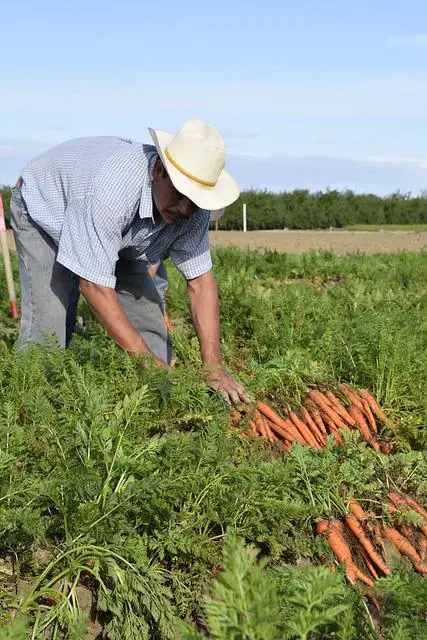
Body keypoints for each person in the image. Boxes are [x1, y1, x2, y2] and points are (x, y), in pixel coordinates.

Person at [10, 119, 249, 405]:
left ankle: (156, 413)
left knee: (151, 327)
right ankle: (28, 414)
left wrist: (213, 367)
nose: (186, 208)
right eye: (181, 195)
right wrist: (145, 362)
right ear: (158, 171)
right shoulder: (111, 190)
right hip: (47, 210)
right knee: (49, 327)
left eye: (196, 201)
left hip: (122, 235)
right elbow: (94, 286)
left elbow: (200, 282)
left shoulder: (191, 212)